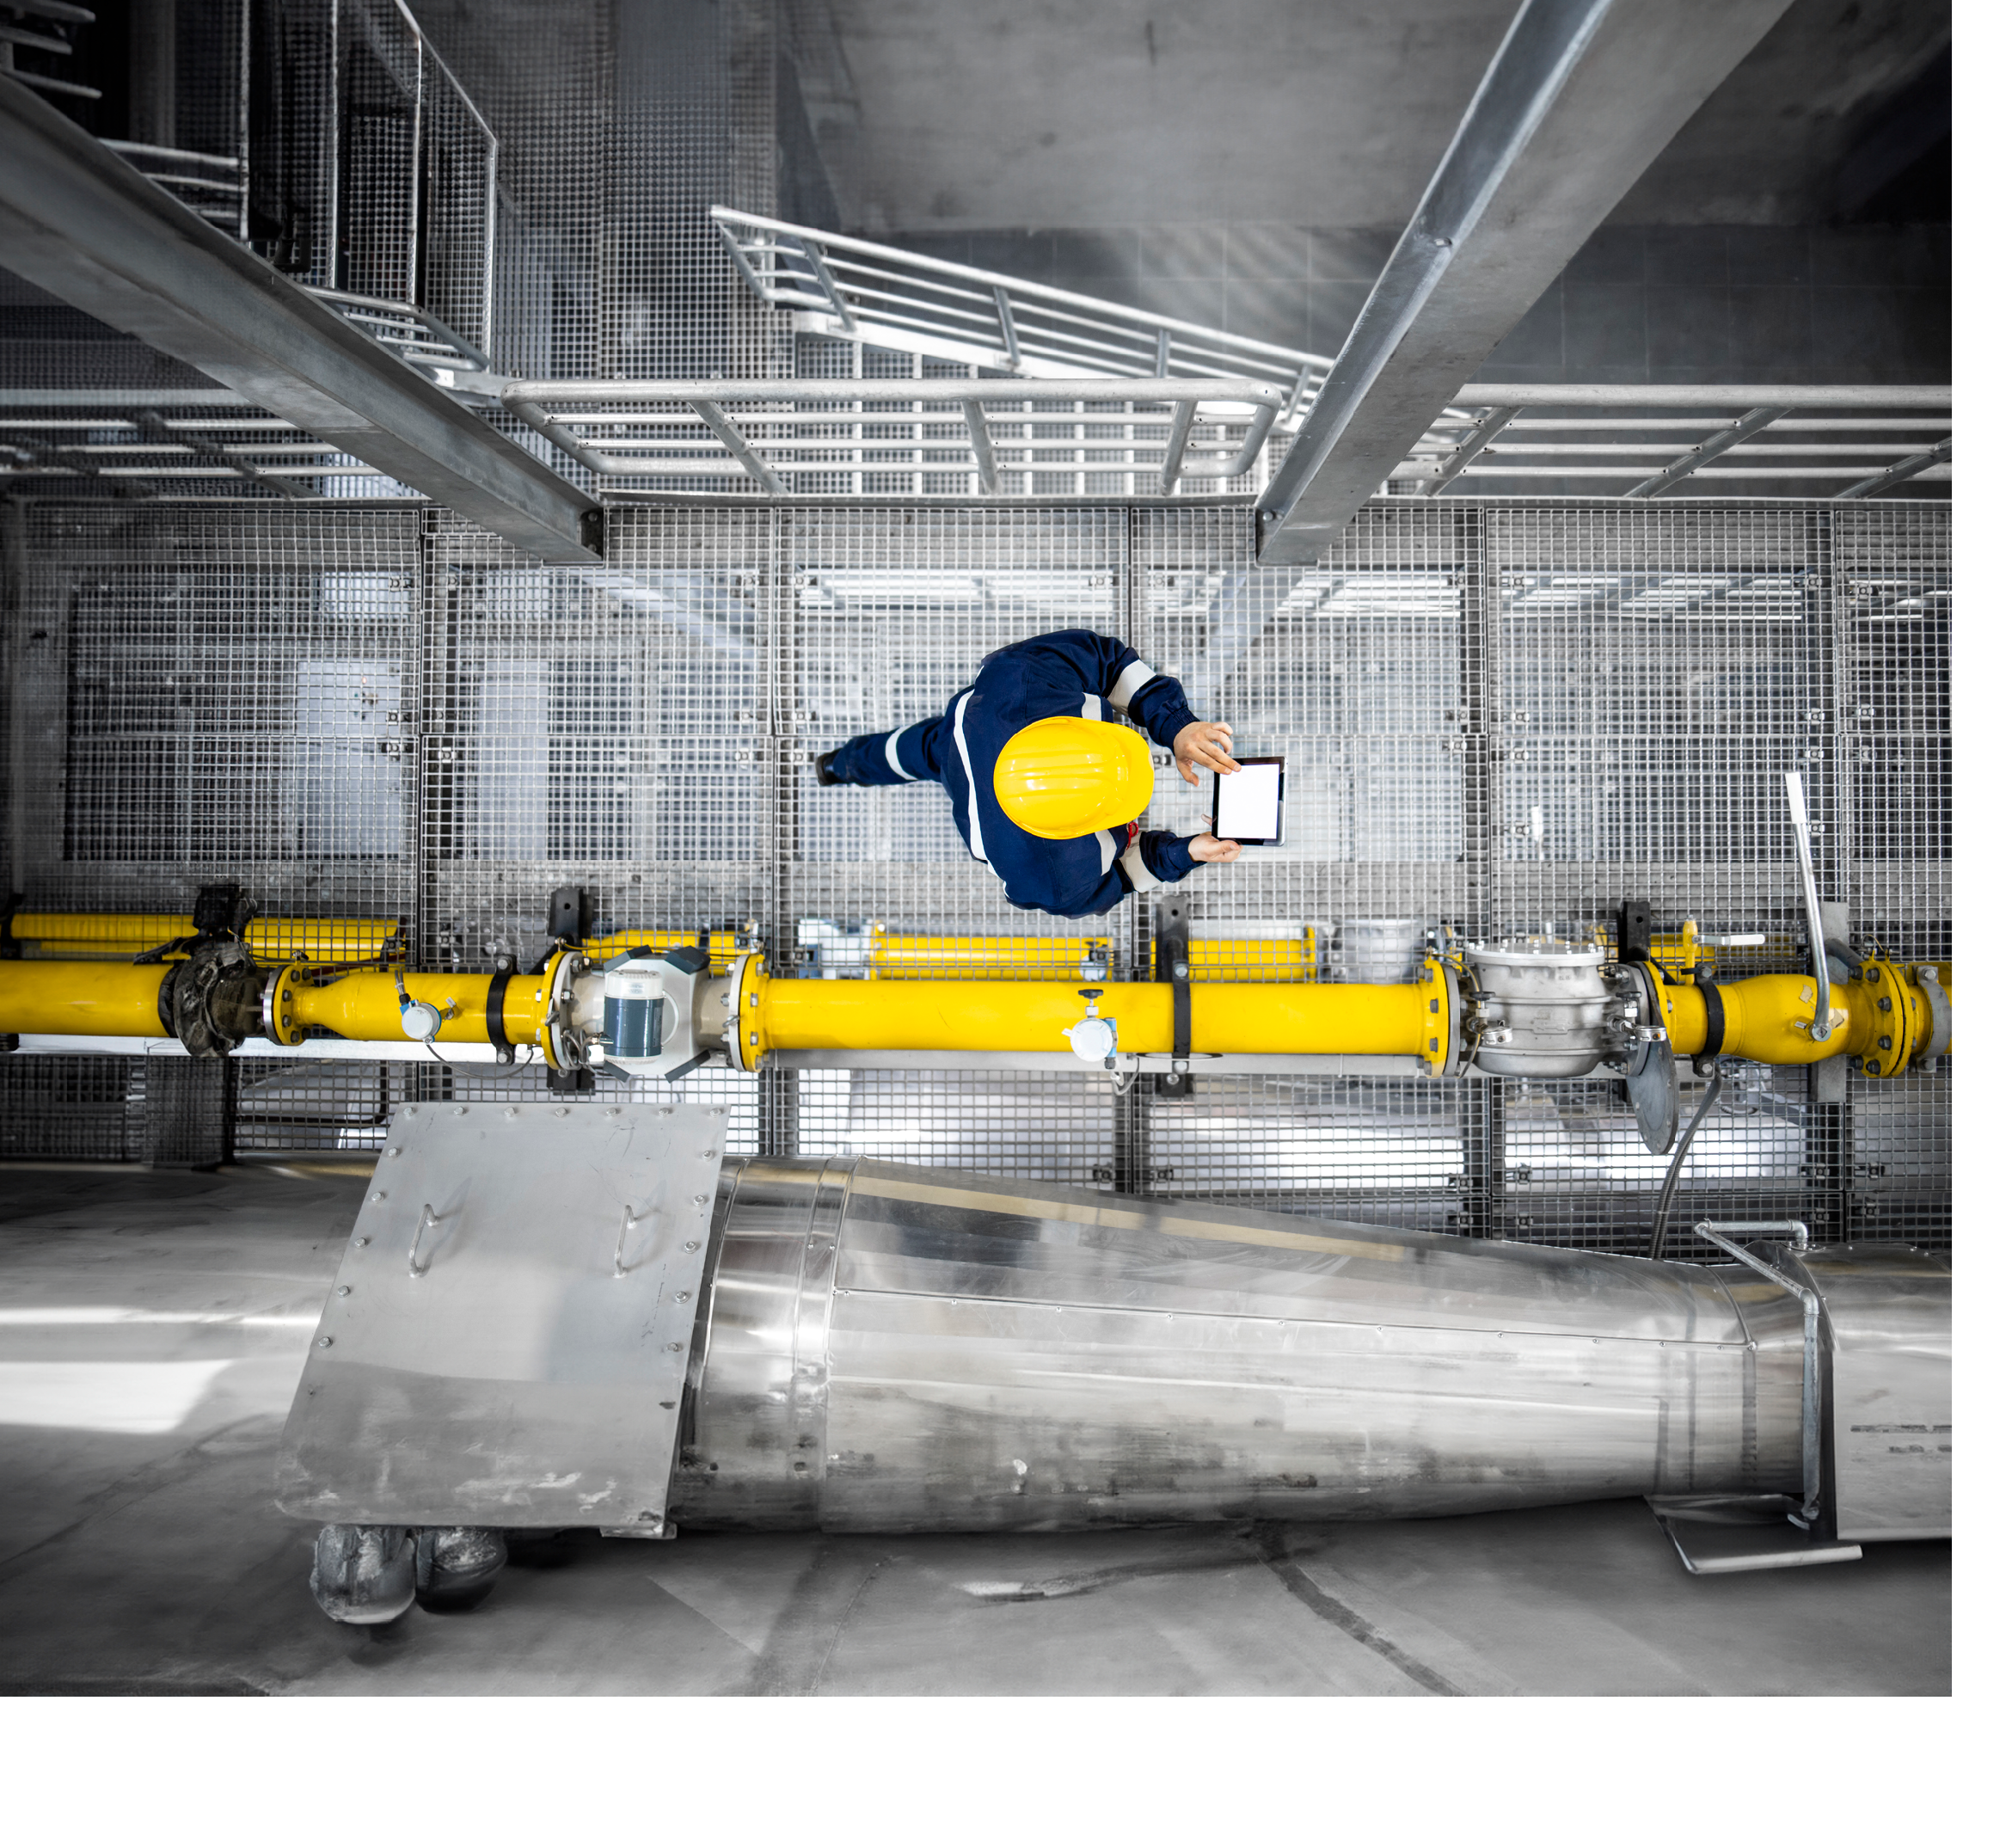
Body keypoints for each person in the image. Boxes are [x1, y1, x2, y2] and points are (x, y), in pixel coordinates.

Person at [814, 628, 1243, 918]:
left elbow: (1108, 662)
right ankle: (836, 766)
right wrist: (1186, 853)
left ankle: (838, 765)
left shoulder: (1024, 680)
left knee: (907, 751)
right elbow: (1124, 878)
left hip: (967, 733)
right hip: (966, 754)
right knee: (917, 751)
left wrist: (1178, 726)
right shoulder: (1052, 878)